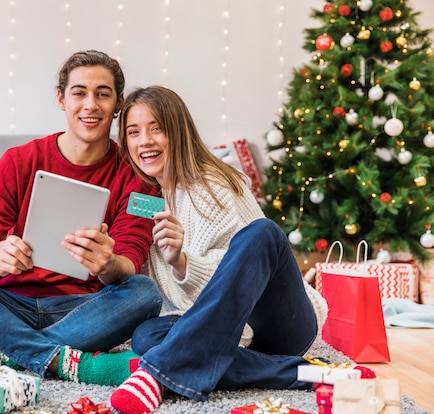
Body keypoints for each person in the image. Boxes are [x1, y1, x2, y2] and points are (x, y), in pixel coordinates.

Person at [0, 50, 163, 387]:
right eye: (79, 93)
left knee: (146, 293)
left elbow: (132, 256)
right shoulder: (18, 161)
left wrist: (108, 264)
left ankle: (1, 355)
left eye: (103, 94)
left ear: (117, 103)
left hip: (80, 307)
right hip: (5, 302)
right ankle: (66, 361)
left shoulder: (141, 180)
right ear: (61, 99)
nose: (91, 104)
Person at [109, 86, 333, 414]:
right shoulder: (141, 202)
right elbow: (164, 300)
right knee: (147, 337)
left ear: (178, 130)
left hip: (279, 323)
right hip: (216, 334)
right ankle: (305, 372)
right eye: (133, 132)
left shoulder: (216, 185)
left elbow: (238, 281)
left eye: (157, 128)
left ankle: (159, 372)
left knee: (263, 233)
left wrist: (182, 262)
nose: (145, 141)